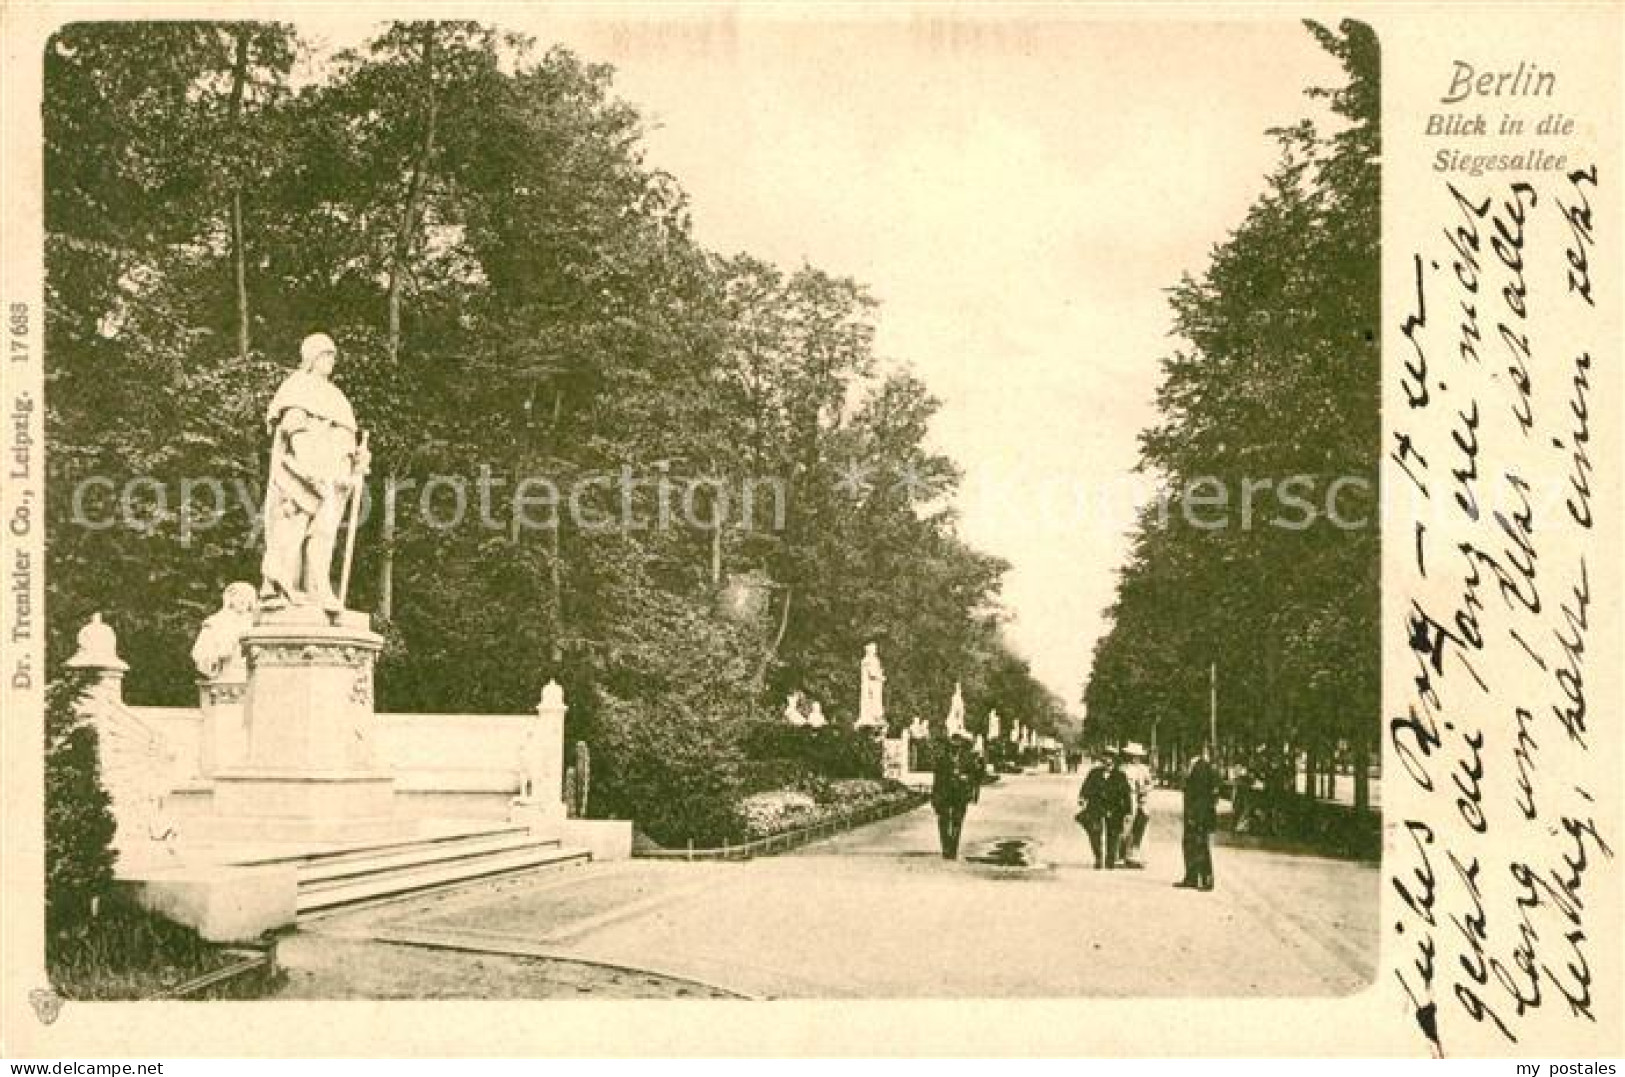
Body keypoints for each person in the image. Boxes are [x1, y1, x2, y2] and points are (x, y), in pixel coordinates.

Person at [260, 332, 371, 612]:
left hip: (336, 478)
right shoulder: (297, 386)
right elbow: (293, 428)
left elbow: (347, 440)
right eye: (325, 354)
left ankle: (318, 588)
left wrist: (359, 461)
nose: (331, 361)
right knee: (292, 530)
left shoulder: (337, 397)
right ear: (311, 357)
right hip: (301, 476)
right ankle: (283, 589)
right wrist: (309, 468)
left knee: (325, 534)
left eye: (333, 355)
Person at [1077, 750, 1132, 868]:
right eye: (1105, 757)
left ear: (1114, 760)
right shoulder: (1094, 773)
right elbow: (1086, 787)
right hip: (1096, 806)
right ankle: (1098, 857)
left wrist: (1128, 811)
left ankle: (1110, 859)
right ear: (1102, 759)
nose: (1107, 760)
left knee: (1113, 834)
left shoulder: (1120, 775)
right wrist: (1082, 798)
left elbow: (1126, 794)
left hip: (1114, 807)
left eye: (1110, 758)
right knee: (1095, 833)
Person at [1177, 747, 1220, 891]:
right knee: (1189, 845)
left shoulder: (1201, 767)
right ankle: (1192, 877)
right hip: (1194, 814)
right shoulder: (1196, 766)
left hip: (1199, 815)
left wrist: (1195, 816)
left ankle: (1206, 880)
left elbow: (1202, 796)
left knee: (1200, 846)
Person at [932, 732, 979, 859]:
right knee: (943, 821)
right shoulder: (942, 759)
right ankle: (946, 846)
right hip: (944, 794)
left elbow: (975, 776)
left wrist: (968, 780)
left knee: (957, 821)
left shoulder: (968, 758)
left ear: (961, 746)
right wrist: (934, 797)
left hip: (960, 794)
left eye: (957, 746)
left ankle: (953, 847)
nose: (955, 749)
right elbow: (937, 779)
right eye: (953, 746)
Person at [1119, 742, 1154, 868]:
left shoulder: (1144, 769)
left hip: (1141, 800)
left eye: (1137, 756)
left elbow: (1150, 783)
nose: (1134, 758)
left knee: (1140, 828)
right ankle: (1123, 856)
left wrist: (1145, 790)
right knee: (1126, 827)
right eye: (1132, 755)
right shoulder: (1123, 769)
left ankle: (1136, 857)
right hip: (1127, 798)